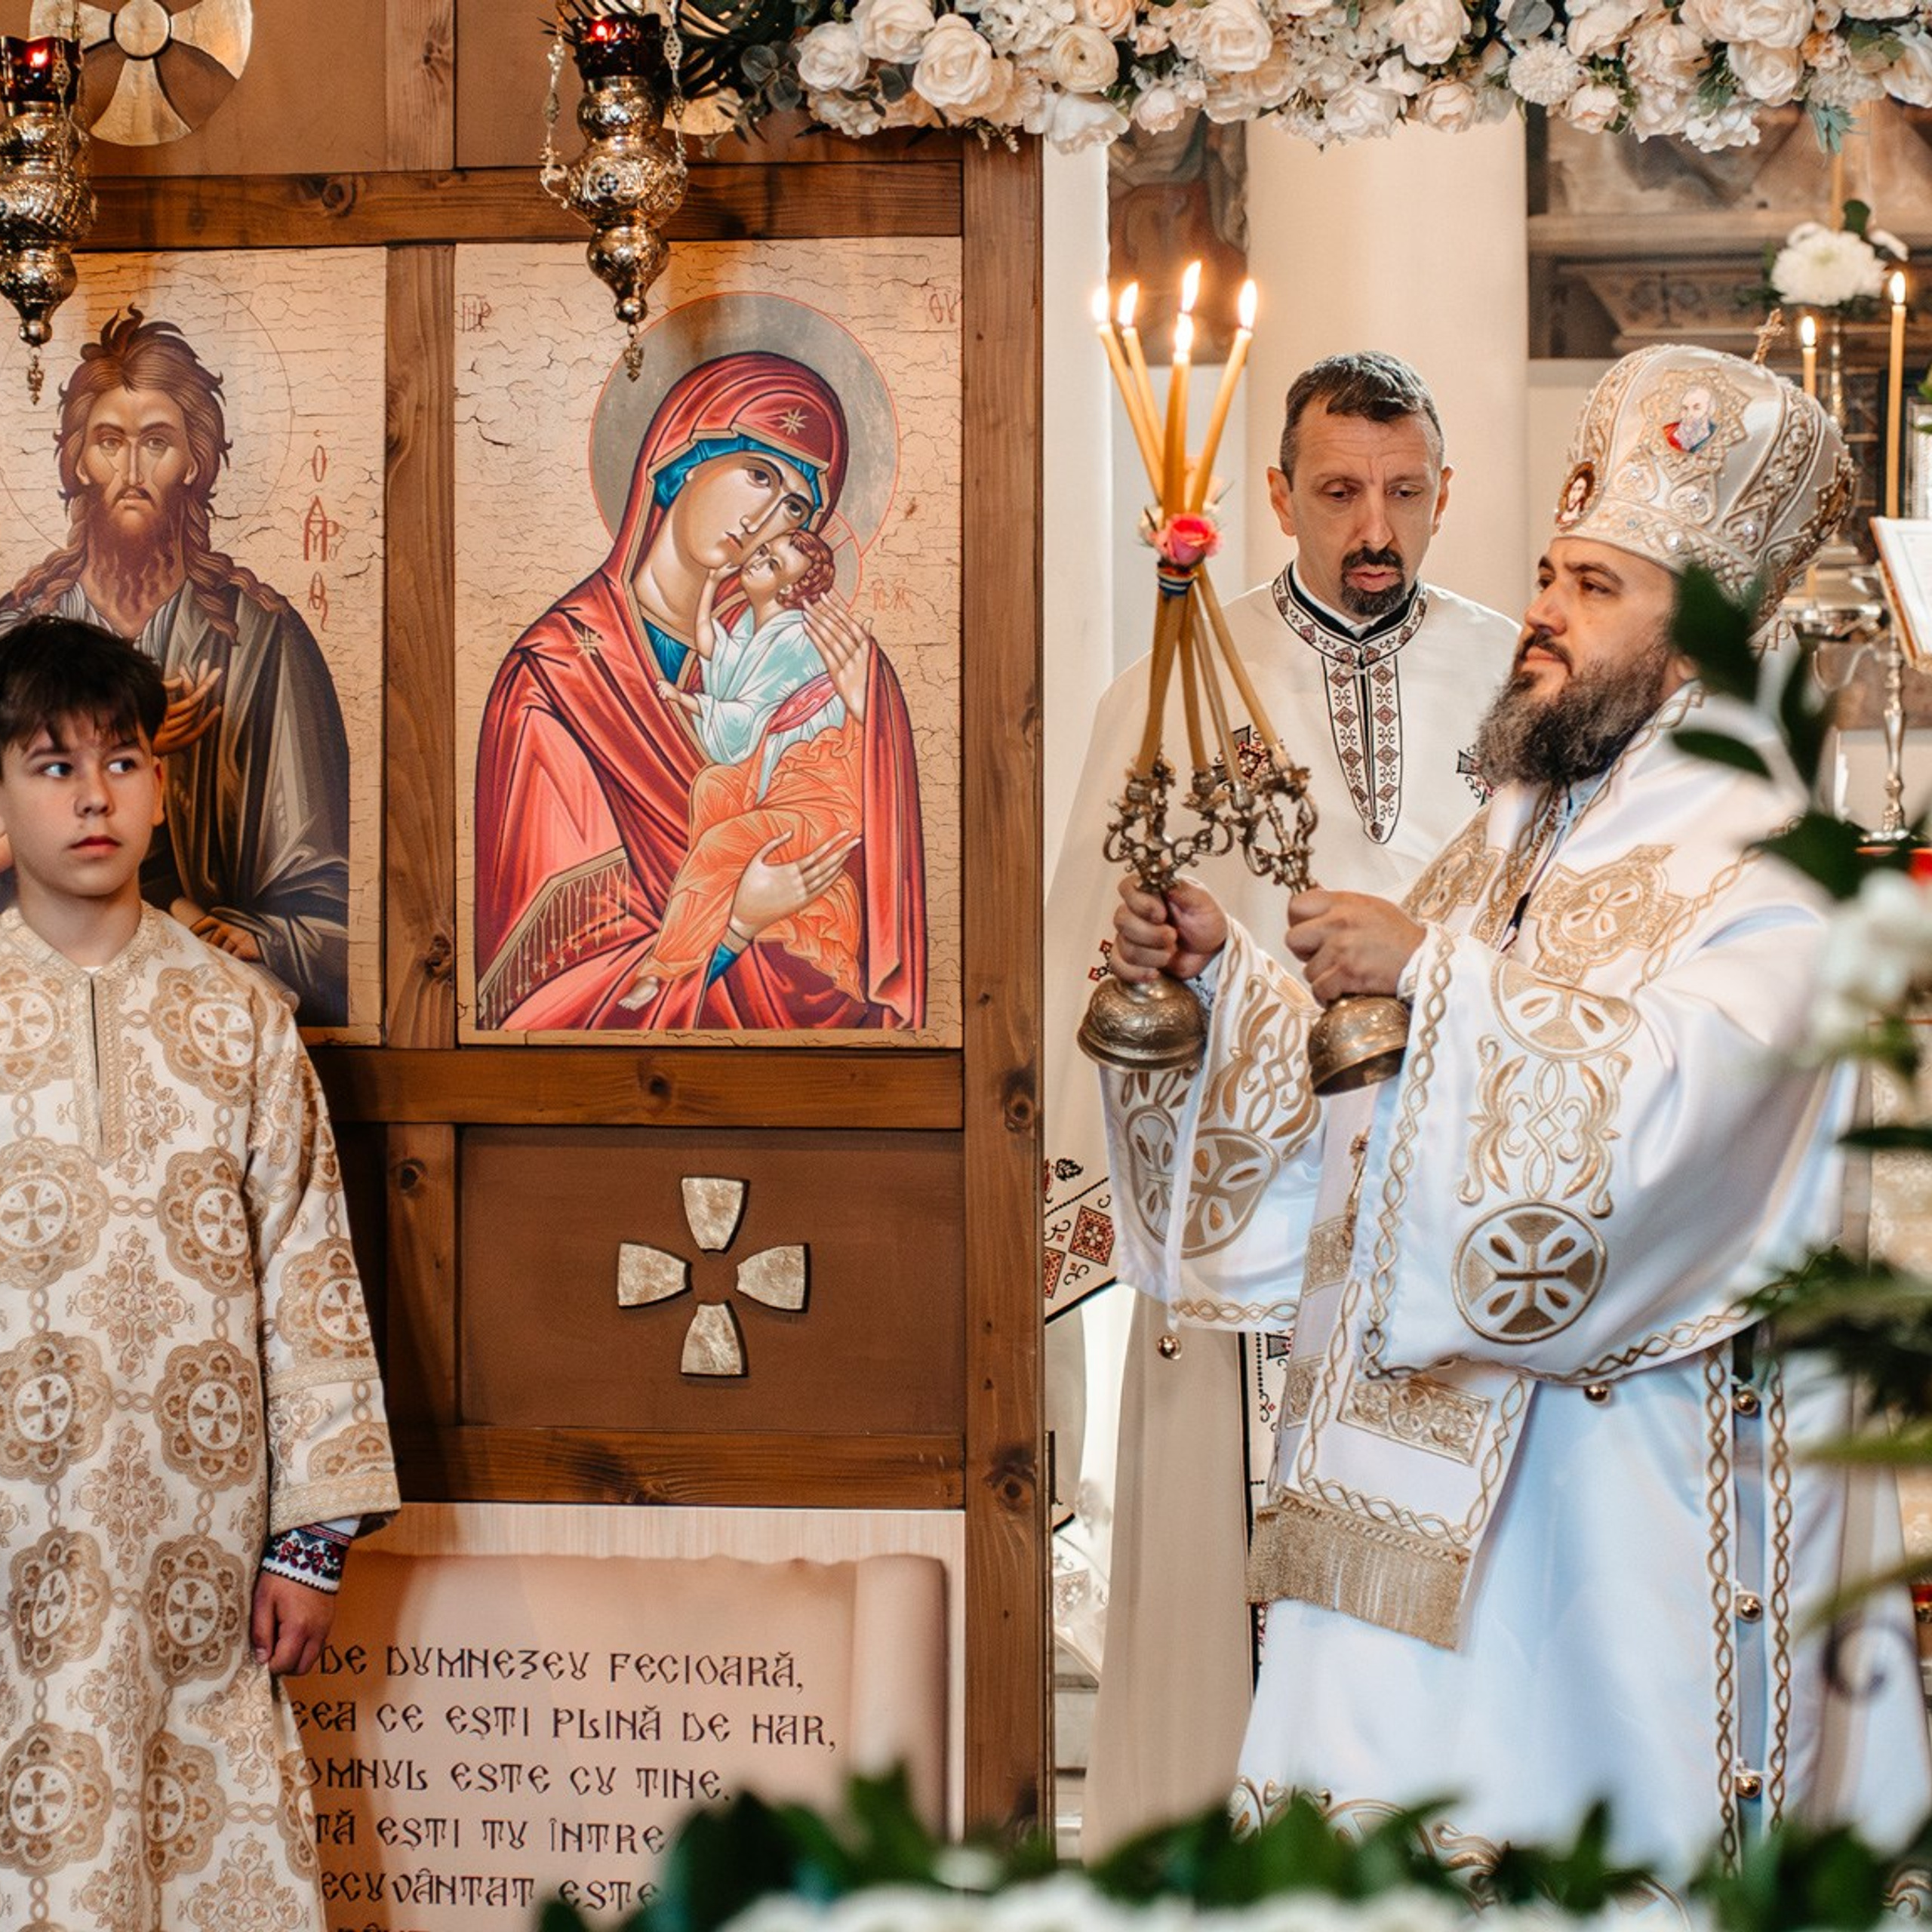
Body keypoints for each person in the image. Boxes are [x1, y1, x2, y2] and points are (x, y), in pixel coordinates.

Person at [1099, 343, 1932, 1876]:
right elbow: (1381, 1096)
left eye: (1592, 587)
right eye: (1550, 572)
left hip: (1627, 1510)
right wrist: (1225, 993)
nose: (1540, 608)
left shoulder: (1766, 864)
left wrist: (1432, 977)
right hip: (1421, 1521)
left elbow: (1670, 1119)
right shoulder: (1513, 836)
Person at [1046, 352, 1518, 1844]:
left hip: (1449, 1212)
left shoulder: (1524, 686)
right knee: (1223, 1594)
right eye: (1337, 492)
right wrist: (1149, 967)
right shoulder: (1178, 680)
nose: (1372, 527)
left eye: (1403, 492)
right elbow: (1088, 952)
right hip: (1248, 1216)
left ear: (1444, 493)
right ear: (1277, 496)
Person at [0, 614, 398, 1926]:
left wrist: (310, 1546)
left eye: (121, 762)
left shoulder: (242, 1021)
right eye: (53, 766)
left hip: (199, 1561)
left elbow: (308, 1277)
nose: (94, 797)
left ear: (162, 788)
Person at [473, 349, 925, 1034]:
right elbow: (551, 984)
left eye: (794, 505)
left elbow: (867, 907)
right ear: (684, 458)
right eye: (757, 474)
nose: (764, 517)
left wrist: (872, 720)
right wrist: (738, 925)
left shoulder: (822, 658)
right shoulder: (557, 673)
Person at [0, 308, 352, 1026]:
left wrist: (252, 936)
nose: (131, 473)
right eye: (110, 442)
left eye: (156, 442)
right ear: (79, 460)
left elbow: (322, 898)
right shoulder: (13, 634)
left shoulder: (263, 639)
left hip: (197, 1001)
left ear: (194, 460)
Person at [626, 529, 872, 1008]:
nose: (758, 561)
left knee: (721, 842)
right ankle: (713, 921)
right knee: (713, 786)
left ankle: (663, 967)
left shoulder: (797, 639)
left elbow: (746, 719)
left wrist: (686, 700)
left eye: (774, 564)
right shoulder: (749, 625)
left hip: (818, 794)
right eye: (764, 551)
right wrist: (710, 586)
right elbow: (715, 653)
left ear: (790, 589)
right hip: (775, 771)